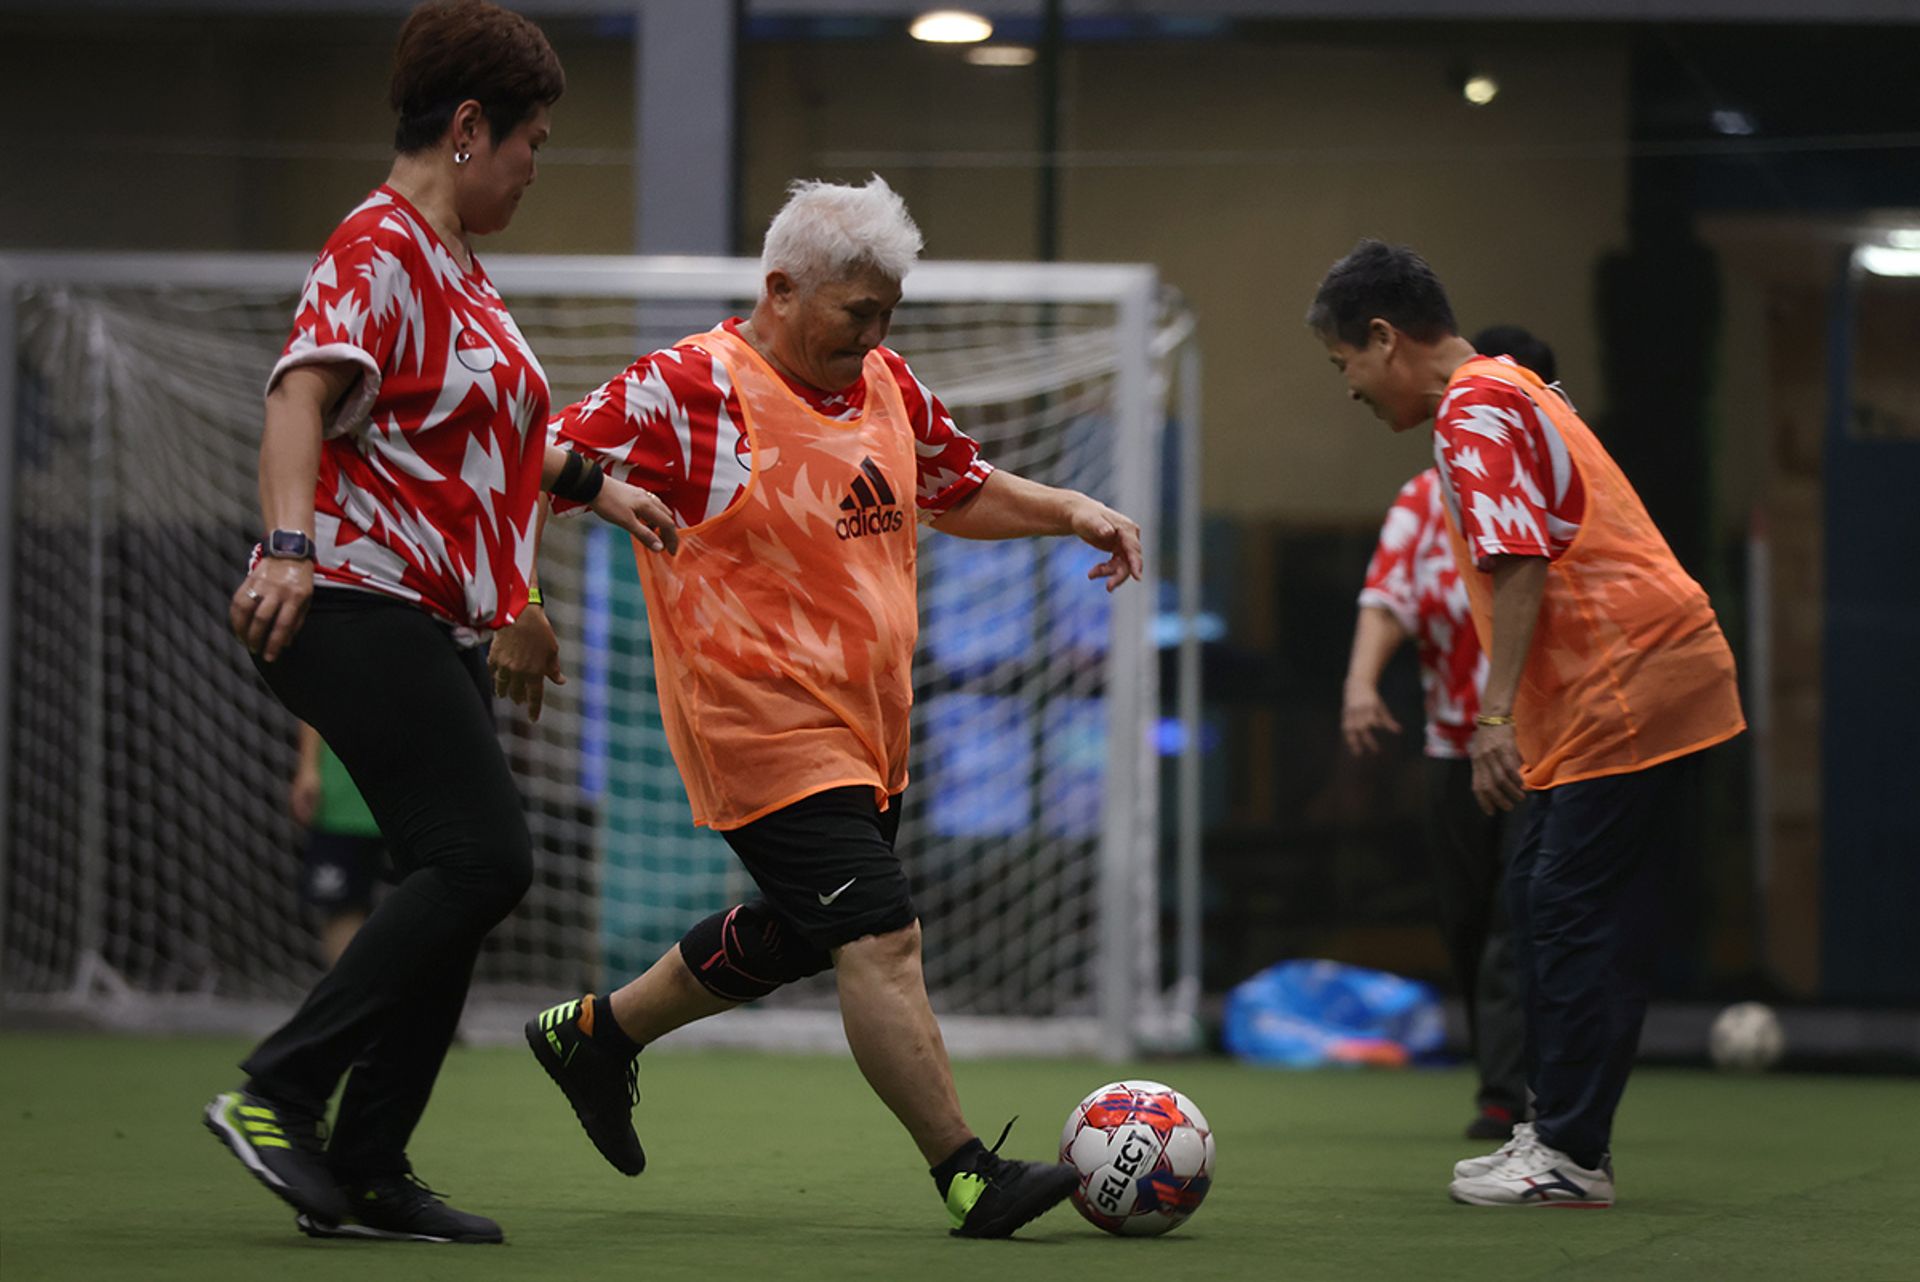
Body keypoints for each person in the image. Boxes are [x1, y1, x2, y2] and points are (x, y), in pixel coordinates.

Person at [521, 176, 1144, 1239]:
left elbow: (956, 486)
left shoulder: (886, 380)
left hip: (869, 732)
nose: (876, 333)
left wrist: (1069, 510)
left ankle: (596, 1035)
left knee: (803, 935)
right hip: (756, 727)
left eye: (887, 314)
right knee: (880, 935)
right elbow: (521, 457)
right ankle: (967, 1172)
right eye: (859, 312)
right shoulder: (691, 386)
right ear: (781, 289)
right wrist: (516, 604)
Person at [204, 0, 679, 1245]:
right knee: (485, 859)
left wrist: (601, 489)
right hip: (352, 601)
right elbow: (302, 399)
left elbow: (484, 443)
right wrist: (293, 547)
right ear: (469, 128)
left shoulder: (462, 271)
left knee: (454, 875)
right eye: (533, 141)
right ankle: (279, 1091)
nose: (536, 166)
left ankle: (368, 1165)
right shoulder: (377, 248)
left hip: (432, 620)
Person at [1308, 240, 1745, 1208]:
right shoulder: (1505, 385)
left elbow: (1520, 560)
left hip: (1629, 680)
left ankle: (1572, 1156)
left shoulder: (1474, 406)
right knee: (1545, 902)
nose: (1348, 390)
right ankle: (1551, 1132)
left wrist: (1493, 715)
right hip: (1624, 681)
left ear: (1383, 339)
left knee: (1567, 910)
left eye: (1344, 366)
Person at [1340, 326, 1558, 1143]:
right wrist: (1361, 684)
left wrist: (1505, 718)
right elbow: (1388, 595)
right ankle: (1510, 1080)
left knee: (1518, 921)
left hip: (1544, 748)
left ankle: (1516, 1096)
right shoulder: (1425, 499)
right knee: (1470, 925)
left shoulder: (1554, 487)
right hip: (1451, 748)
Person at [289, 722, 388, 966]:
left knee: (434, 902)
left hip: (418, 791)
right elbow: (314, 696)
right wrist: (308, 766)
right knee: (342, 907)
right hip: (341, 798)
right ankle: (353, 997)